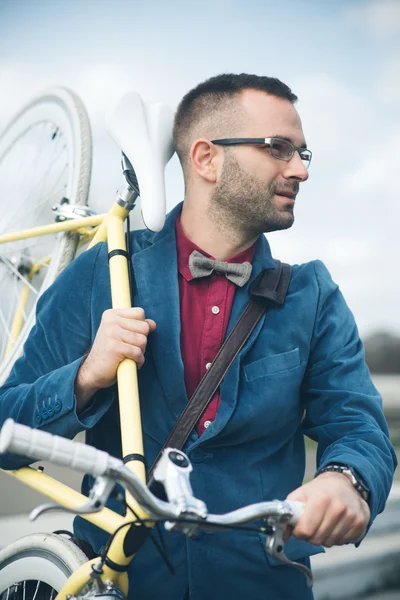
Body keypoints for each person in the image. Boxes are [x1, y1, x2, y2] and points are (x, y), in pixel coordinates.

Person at [0, 73, 396, 600]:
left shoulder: (313, 293)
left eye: (303, 153)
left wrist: (346, 480)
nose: (300, 169)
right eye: (279, 148)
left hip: (262, 583)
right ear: (206, 158)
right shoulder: (105, 273)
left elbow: (358, 426)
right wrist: (85, 377)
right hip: (120, 581)